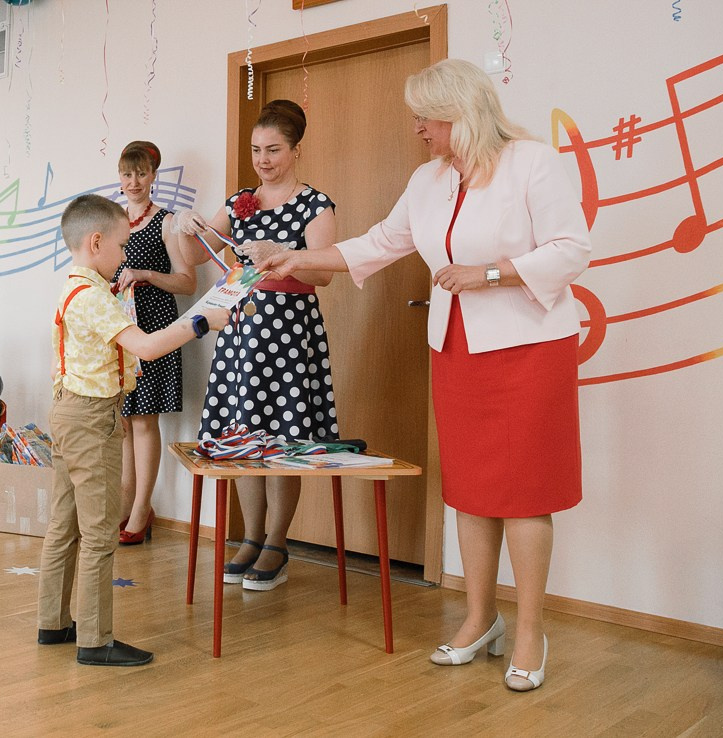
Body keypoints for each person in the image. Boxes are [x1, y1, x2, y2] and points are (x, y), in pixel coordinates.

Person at [259, 59, 591, 693]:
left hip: (527, 346)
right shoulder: (429, 179)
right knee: (469, 487)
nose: (416, 128)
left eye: (425, 117)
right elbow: (379, 243)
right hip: (457, 347)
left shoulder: (532, 162)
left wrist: (490, 274)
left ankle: (529, 631)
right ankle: (479, 618)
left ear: (460, 113)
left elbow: (571, 248)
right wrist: (296, 255)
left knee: (524, 491)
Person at [38, 194, 229, 667]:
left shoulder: (77, 288)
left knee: (65, 525)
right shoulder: (92, 297)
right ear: (96, 242)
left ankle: (54, 622)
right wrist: (203, 321)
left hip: (68, 412)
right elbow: (145, 347)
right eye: (123, 246)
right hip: (91, 418)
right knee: (100, 530)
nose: (126, 256)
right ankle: (95, 639)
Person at [175, 99, 340, 592]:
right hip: (242, 327)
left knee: (283, 438)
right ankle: (250, 537)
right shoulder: (239, 201)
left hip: (289, 329)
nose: (263, 159)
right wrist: (187, 228)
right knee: (242, 433)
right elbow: (197, 252)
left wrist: (282, 256)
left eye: (273, 150)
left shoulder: (316, 204)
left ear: (296, 150)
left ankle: (277, 541)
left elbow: (325, 274)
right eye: (256, 150)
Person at [112, 141, 196, 544]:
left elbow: (187, 281)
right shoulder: (111, 221)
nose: (134, 182)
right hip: (119, 330)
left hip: (155, 327)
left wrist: (144, 273)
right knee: (124, 423)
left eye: (141, 173)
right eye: (127, 174)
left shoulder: (168, 221)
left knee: (145, 420)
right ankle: (128, 504)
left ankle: (141, 511)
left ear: (153, 176)